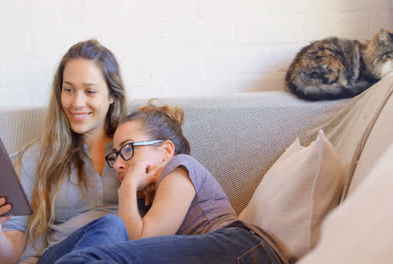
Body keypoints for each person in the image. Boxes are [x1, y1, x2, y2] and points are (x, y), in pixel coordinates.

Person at [36, 99, 289, 264]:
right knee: (92, 246)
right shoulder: (150, 199)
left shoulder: (180, 167)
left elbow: (143, 242)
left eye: (127, 149)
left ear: (166, 151)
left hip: (244, 250)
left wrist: (127, 189)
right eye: (115, 156)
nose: (119, 164)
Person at [0, 39, 128, 264]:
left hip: (125, 255)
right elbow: (9, 255)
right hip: (60, 255)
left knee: (116, 228)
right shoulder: (39, 155)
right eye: (68, 90)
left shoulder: (136, 148)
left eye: (90, 91)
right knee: (112, 224)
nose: (77, 103)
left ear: (112, 96)